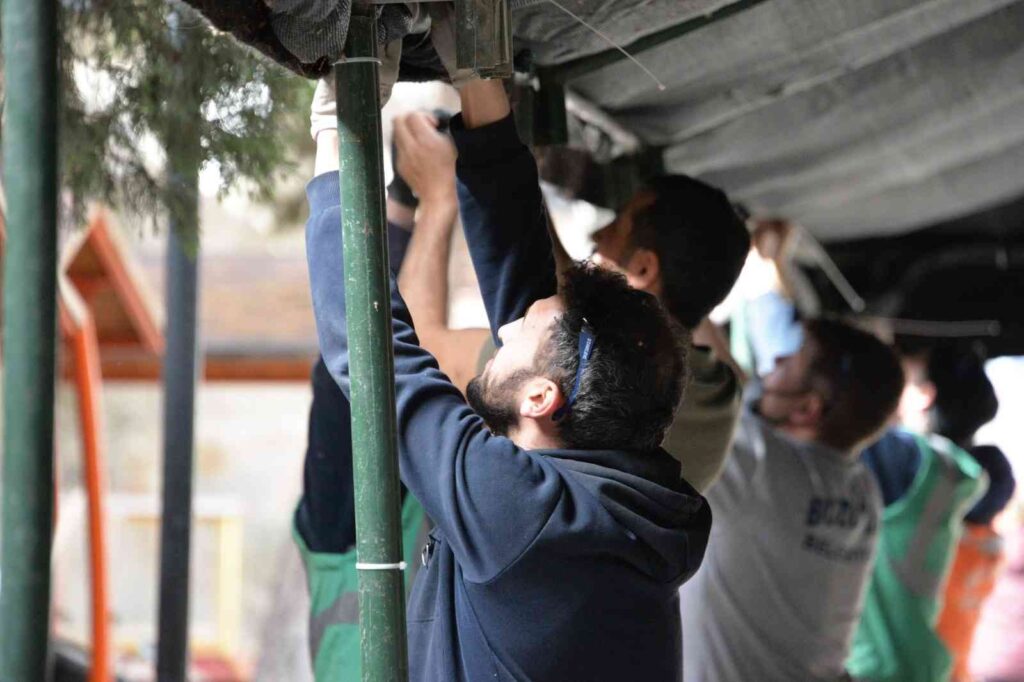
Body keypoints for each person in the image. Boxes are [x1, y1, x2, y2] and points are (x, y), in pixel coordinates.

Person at [304, 73, 711, 682]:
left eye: (520, 332)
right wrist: (478, 81)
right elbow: (526, 284)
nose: (506, 325)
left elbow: (377, 363)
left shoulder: (523, 515)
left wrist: (336, 125)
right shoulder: (627, 506)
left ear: (542, 399)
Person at [391, 107, 750, 495]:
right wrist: (510, 168)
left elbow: (418, 349)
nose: (598, 234)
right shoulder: (718, 394)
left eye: (617, 226)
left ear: (644, 268)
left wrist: (438, 199)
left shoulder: (591, 366)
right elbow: (576, 284)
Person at [680, 315, 904, 681]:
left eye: (791, 359)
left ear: (806, 409)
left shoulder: (760, 466)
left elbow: (717, 385)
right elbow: (735, 386)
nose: (777, 360)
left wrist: (682, 303)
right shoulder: (862, 490)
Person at [292, 132, 434, 681]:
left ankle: (384, 191)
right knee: (386, 370)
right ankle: (403, 199)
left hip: (340, 547)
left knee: (351, 372)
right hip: (377, 544)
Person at [848, 345, 989, 682]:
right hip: (916, 663)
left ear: (924, 395)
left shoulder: (903, 460)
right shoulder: (949, 472)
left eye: (903, 379)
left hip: (876, 668)